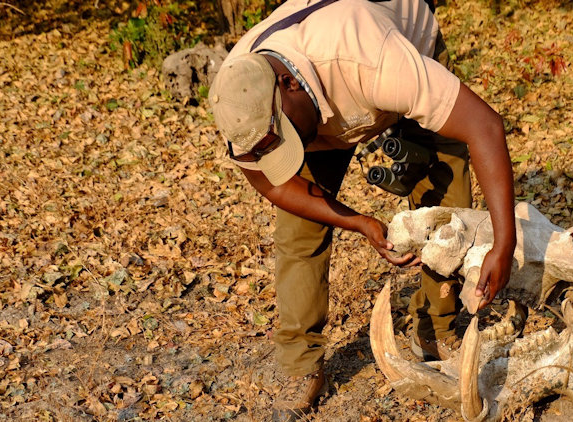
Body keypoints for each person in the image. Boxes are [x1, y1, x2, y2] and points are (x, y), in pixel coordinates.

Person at [208, 0, 516, 419]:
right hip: (327, 98)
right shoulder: (239, 100)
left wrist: (503, 242)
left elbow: (484, 126)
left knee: (445, 199)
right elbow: (277, 187)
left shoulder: (374, 58)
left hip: (393, 51)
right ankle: (301, 365)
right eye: (271, 145)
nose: (282, 152)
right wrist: (358, 222)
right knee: (299, 230)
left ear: (289, 84)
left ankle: (435, 328)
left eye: (285, 138)